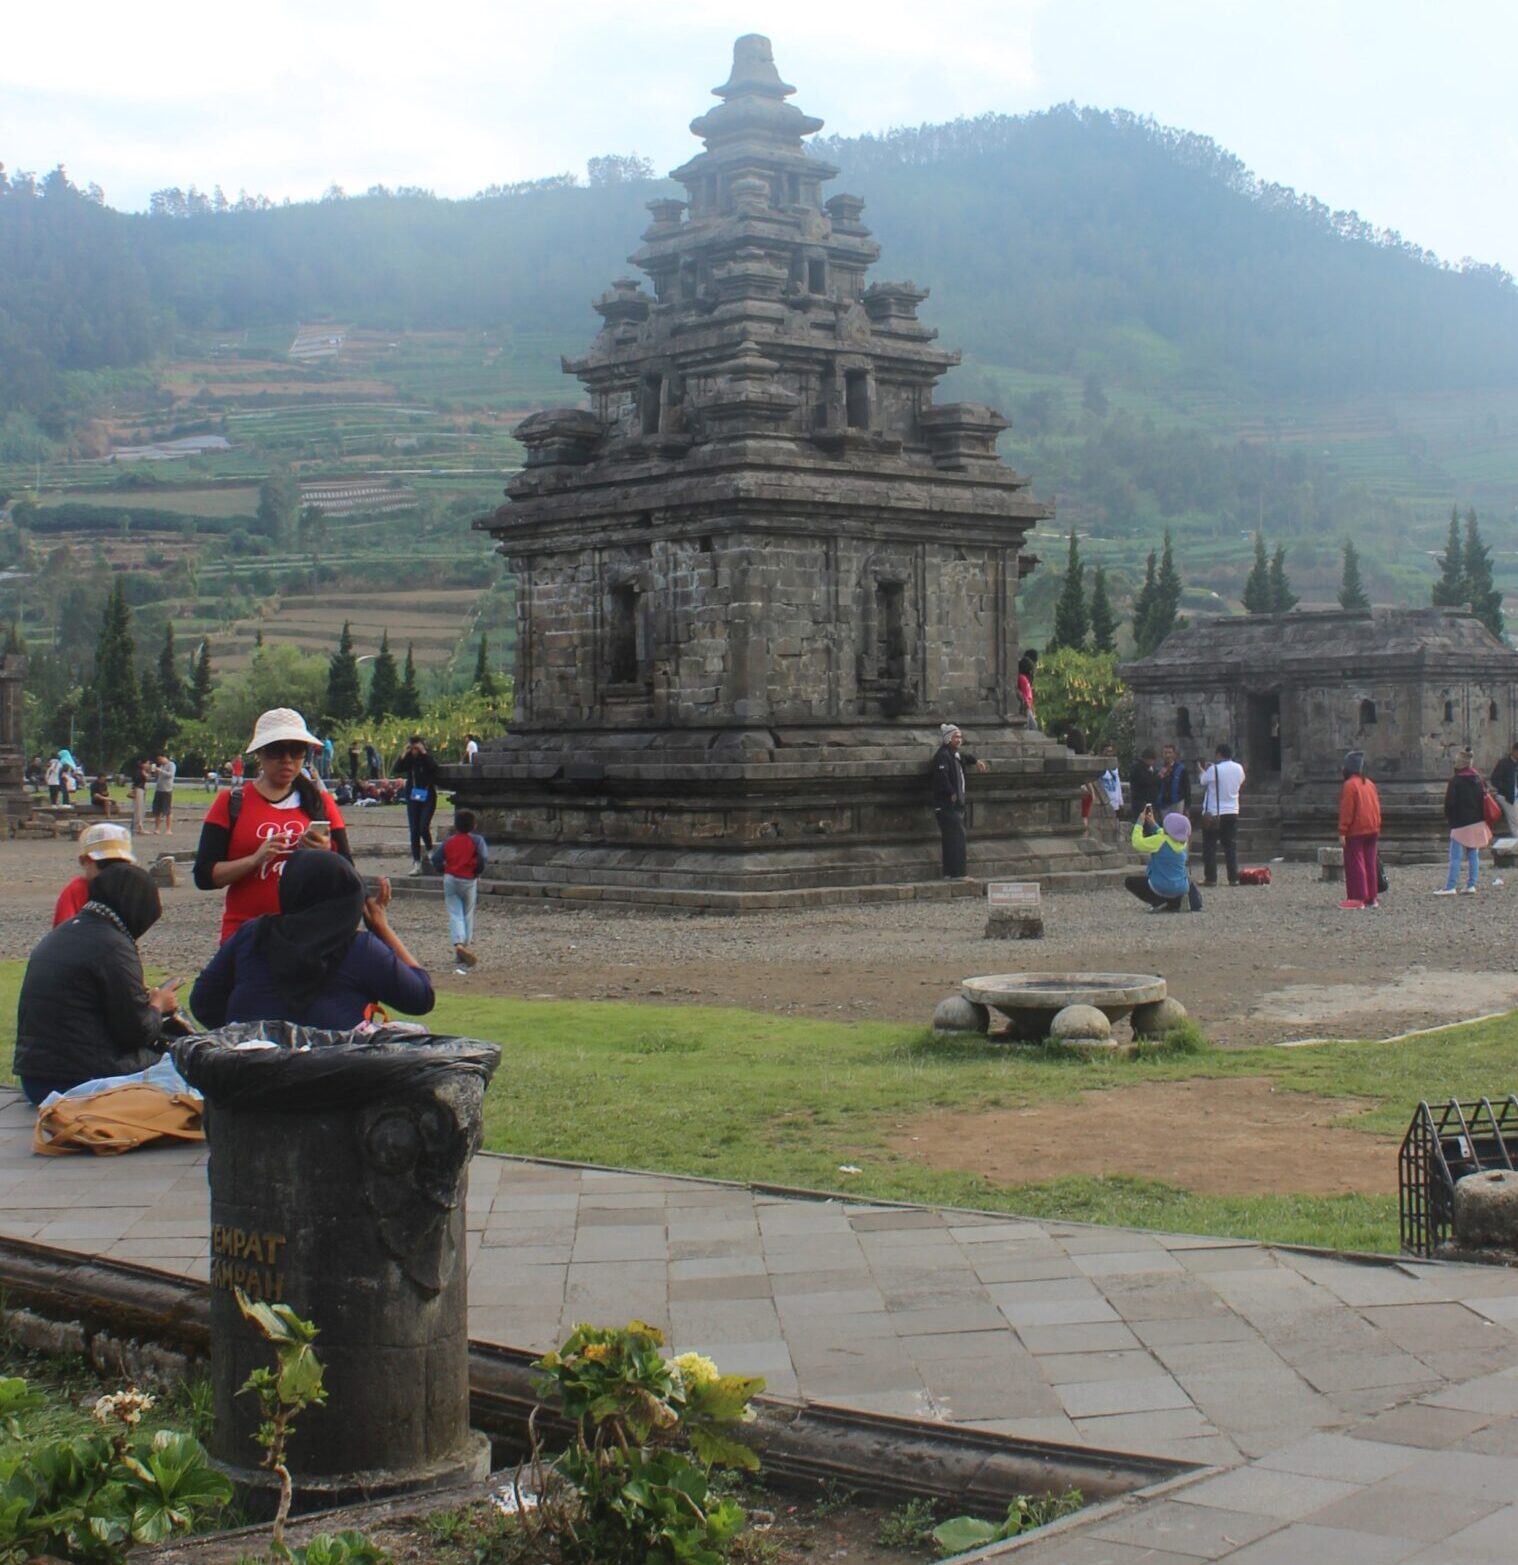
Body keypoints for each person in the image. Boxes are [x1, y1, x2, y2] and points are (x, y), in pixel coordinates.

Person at [190, 850, 433, 1031]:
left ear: (291, 890)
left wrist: (248, 1031)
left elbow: (203, 1002)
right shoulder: (360, 948)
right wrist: (382, 928)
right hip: (334, 1076)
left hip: (248, 1071)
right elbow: (421, 997)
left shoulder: (253, 934)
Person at [15, 862, 184, 1105]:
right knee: (184, 1061)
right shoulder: (114, 946)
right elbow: (136, 1033)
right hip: (81, 1081)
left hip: (35, 1079)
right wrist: (158, 1005)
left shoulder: (61, 933)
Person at [194, 708, 353, 944]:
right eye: (277, 750)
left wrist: (326, 852)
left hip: (308, 935)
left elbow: (348, 873)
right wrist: (254, 860)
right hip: (246, 935)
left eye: (296, 750)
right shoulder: (231, 802)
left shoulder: (322, 803)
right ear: (260, 753)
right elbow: (204, 876)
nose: (287, 759)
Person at [430, 809, 489, 972]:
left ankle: (458, 943)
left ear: (455, 826)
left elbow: (436, 858)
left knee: (454, 912)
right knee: (467, 913)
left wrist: (442, 869)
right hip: (468, 879)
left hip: (450, 877)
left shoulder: (449, 841)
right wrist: (477, 872)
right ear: (474, 825)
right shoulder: (477, 840)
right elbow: (482, 858)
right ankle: (463, 946)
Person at [930, 723, 988, 879]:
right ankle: (956, 872)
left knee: (953, 837)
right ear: (948, 738)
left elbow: (965, 757)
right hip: (947, 804)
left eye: (960, 737)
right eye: (956, 737)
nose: (959, 740)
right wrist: (951, 793)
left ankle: (951, 872)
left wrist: (976, 761)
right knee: (955, 837)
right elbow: (942, 777)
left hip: (955, 804)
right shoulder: (943, 756)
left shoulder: (955, 755)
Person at [53, 822, 137, 925]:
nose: (113, 871)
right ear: (84, 861)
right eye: (105, 864)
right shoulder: (76, 892)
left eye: (121, 865)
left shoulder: (127, 889)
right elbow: (63, 933)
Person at [1437, 748, 1489, 896]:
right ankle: (1471, 885)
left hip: (1460, 823)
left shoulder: (1456, 781)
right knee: (1473, 854)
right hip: (1478, 821)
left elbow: (1449, 804)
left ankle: (1450, 886)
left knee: (1455, 856)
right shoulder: (1479, 779)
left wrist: (1450, 820)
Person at [1127, 806, 1197, 913]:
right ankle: (1174, 903)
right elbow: (1169, 835)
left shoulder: (1160, 841)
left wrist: (1139, 824)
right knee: (1177, 883)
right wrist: (1154, 825)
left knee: (1130, 882)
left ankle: (1157, 900)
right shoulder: (1183, 843)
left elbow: (1137, 843)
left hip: (1160, 886)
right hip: (1180, 887)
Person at [1338, 750, 1382, 910]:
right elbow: (1376, 807)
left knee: (1356, 863)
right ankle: (1372, 897)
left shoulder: (1350, 785)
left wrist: (1342, 831)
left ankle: (1358, 897)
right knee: (1370, 863)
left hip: (1356, 830)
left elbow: (1347, 810)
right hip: (1372, 828)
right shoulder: (1369, 784)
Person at [1198, 744, 1246, 887]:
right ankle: (1233, 877)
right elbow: (1240, 781)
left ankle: (1211, 878)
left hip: (1214, 813)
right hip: (1232, 810)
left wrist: (1202, 770)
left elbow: (1203, 781)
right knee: (1230, 846)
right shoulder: (1239, 768)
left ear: (1219, 754)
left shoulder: (1214, 769)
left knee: (1210, 846)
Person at [395, 734, 440, 874]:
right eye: (412, 748)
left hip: (427, 796)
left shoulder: (426, 759)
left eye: (416, 748)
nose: (414, 751)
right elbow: (397, 768)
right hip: (413, 796)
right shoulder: (409, 760)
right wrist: (404, 753)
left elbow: (434, 768)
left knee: (423, 826)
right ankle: (416, 861)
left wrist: (424, 752)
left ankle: (430, 849)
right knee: (414, 829)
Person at [1490, 740, 1518, 839]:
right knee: (1515, 822)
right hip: (1506, 796)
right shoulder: (1504, 763)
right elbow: (1494, 780)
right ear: (1514, 751)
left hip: (1515, 796)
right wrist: (1507, 789)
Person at [1155, 743, 1190, 817]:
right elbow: (1155, 787)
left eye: (1170, 753)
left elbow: (1187, 788)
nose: (1167, 755)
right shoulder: (1158, 769)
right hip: (1163, 803)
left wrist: (1187, 807)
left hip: (1177, 802)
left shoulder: (1181, 769)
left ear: (1174, 754)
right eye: (1165, 753)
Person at [1129, 748, 1159, 820]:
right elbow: (1144, 781)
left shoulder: (1152, 768)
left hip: (1151, 800)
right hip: (1140, 801)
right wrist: (1158, 777)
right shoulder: (1137, 768)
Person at [151, 752, 177, 835]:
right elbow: (158, 777)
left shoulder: (171, 765)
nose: (159, 761)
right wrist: (156, 773)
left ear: (164, 757)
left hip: (167, 790)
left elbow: (170, 775)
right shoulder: (162, 766)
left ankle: (169, 829)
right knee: (157, 810)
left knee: (167, 810)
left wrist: (161, 771)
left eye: (160, 759)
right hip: (159, 789)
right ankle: (157, 828)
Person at [1097, 745, 1124, 817]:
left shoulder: (1115, 769)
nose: (1108, 754)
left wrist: (1120, 802)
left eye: (1110, 751)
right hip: (1104, 802)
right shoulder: (1098, 769)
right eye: (1107, 751)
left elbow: (1118, 785)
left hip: (1115, 802)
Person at [130, 757, 151, 833]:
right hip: (138, 790)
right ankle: (138, 827)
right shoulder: (138, 772)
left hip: (142, 789)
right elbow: (136, 780)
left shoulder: (143, 771)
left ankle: (139, 825)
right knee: (138, 808)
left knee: (142, 808)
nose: (148, 765)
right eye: (147, 763)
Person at [1016, 655, 1037, 729]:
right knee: (1033, 728)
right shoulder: (1022, 678)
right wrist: (1026, 704)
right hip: (1026, 708)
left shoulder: (1023, 678)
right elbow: (1022, 693)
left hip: (1028, 707)